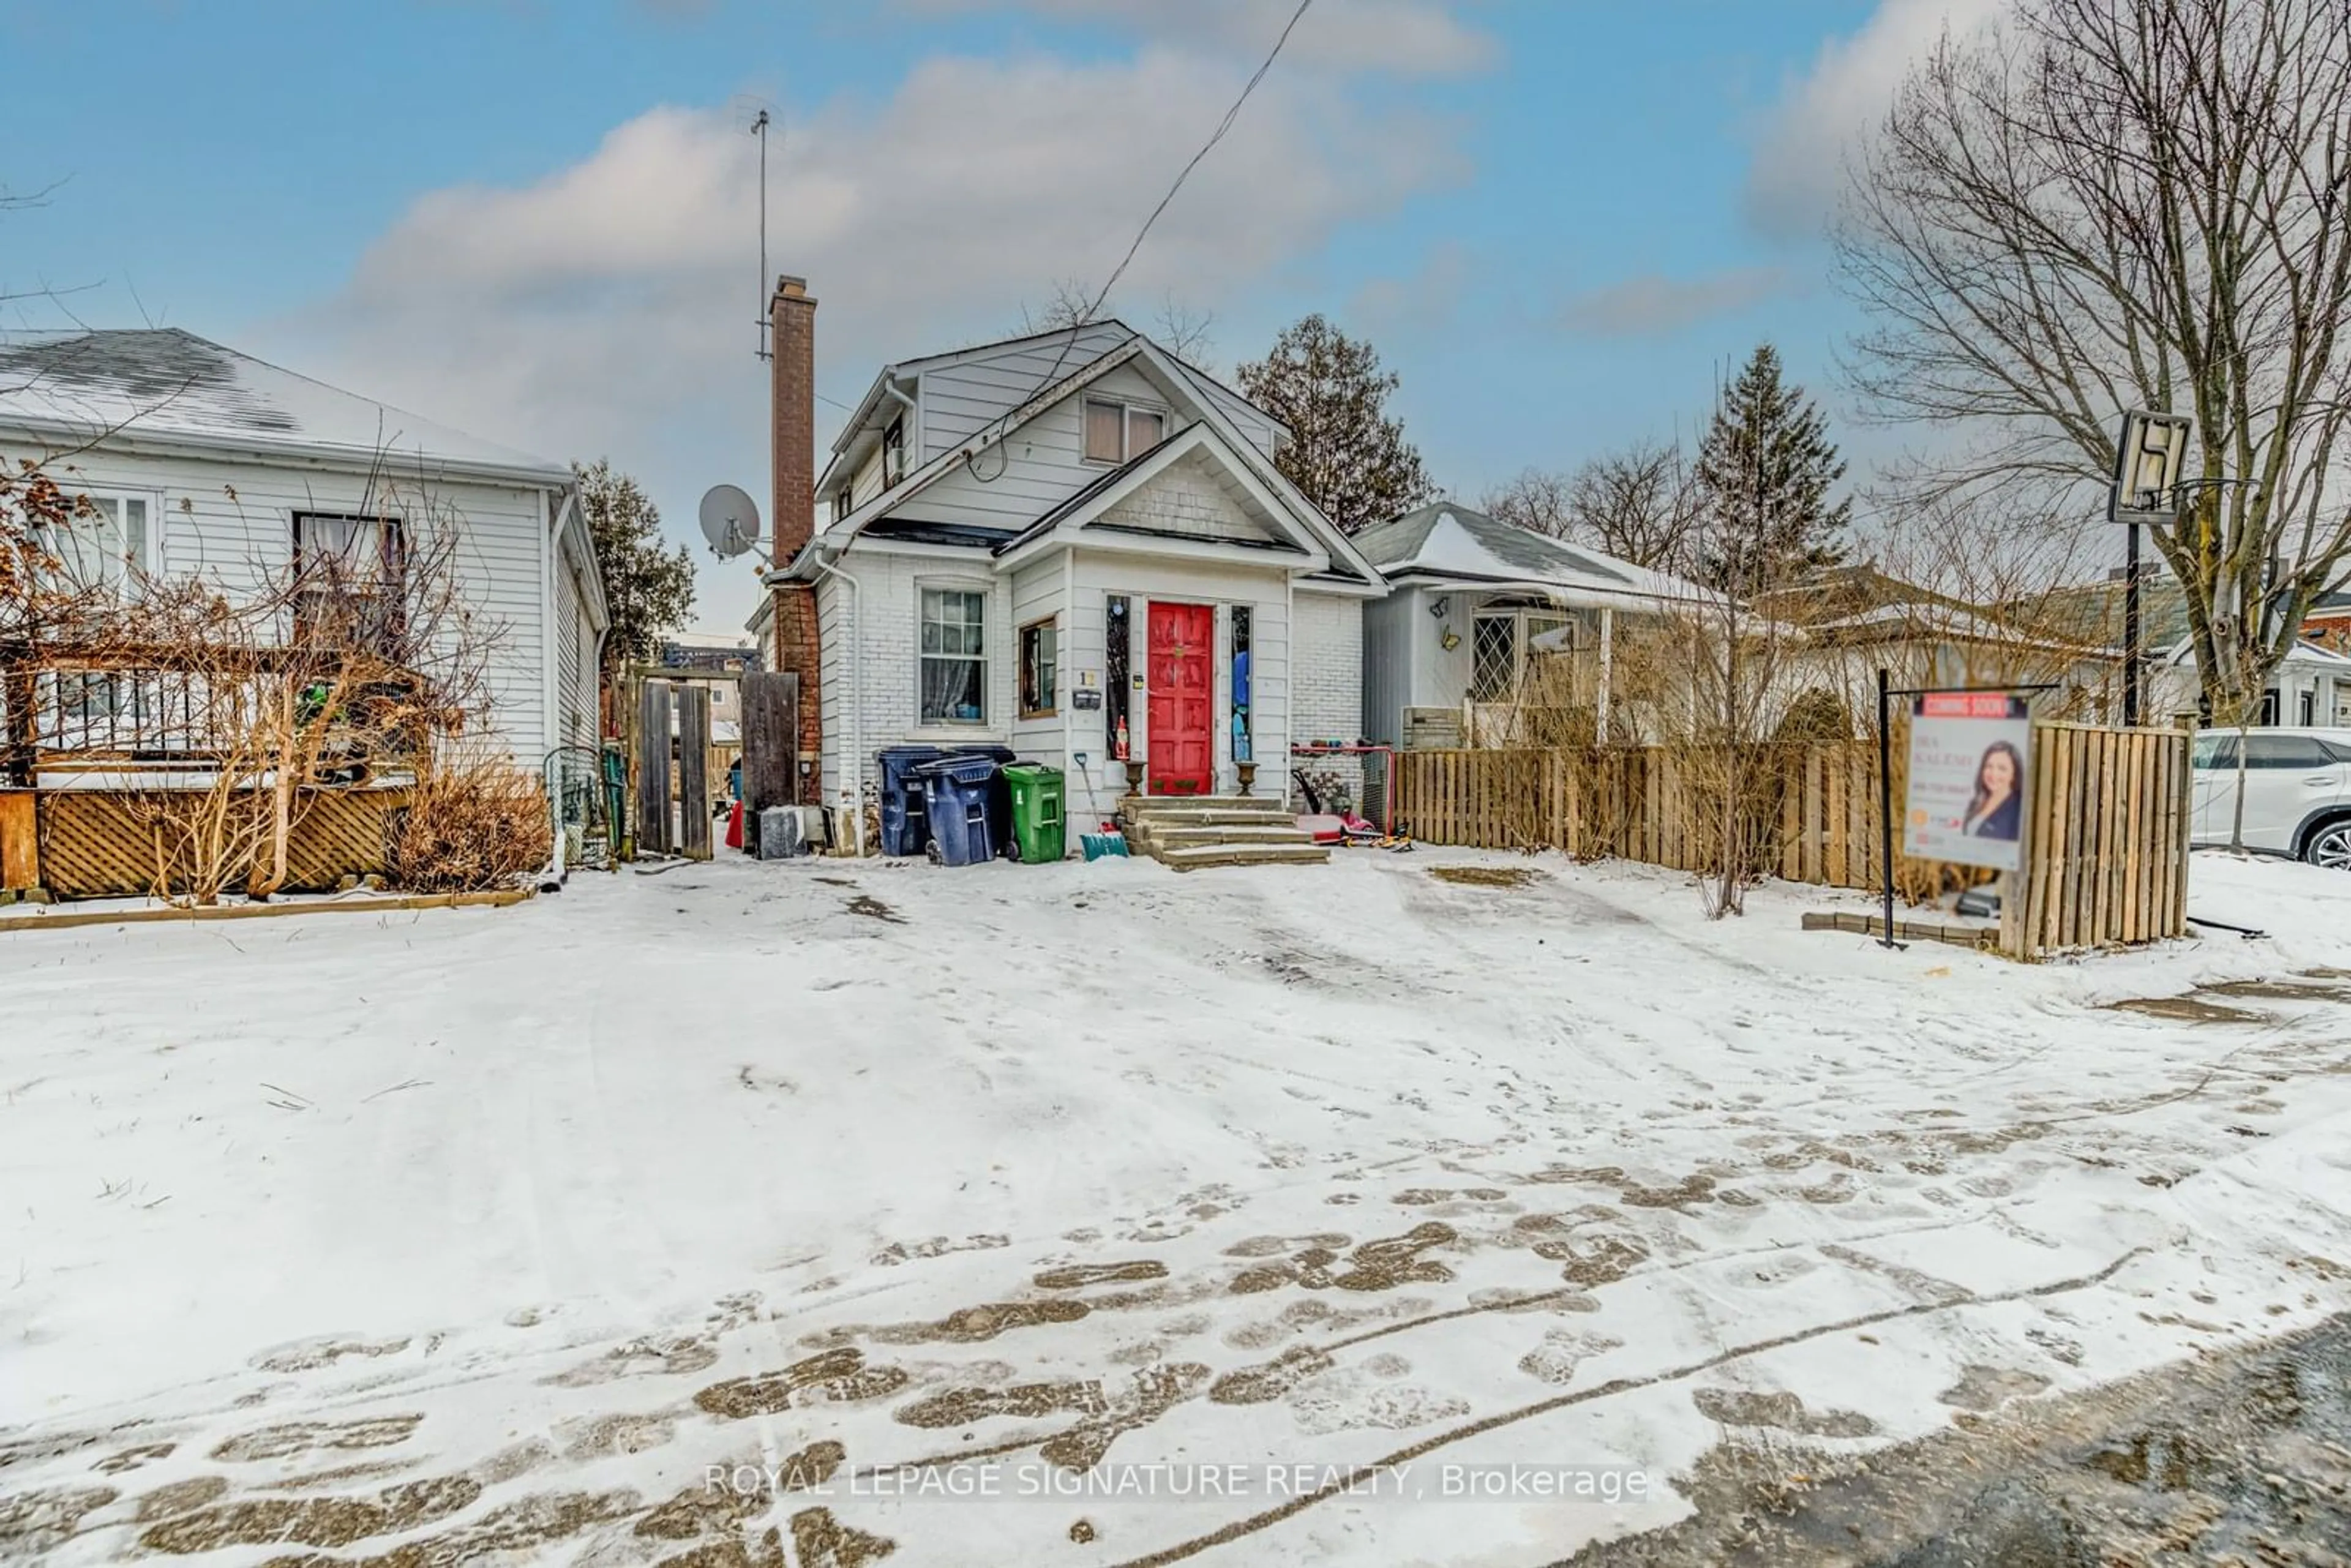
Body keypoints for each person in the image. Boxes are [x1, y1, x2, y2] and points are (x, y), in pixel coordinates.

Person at [1963, 740, 2023, 841]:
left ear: (2014, 774)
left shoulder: (2019, 810)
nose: (1993, 774)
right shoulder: (1978, 801)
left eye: (2002, 769)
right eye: (1989, 766)